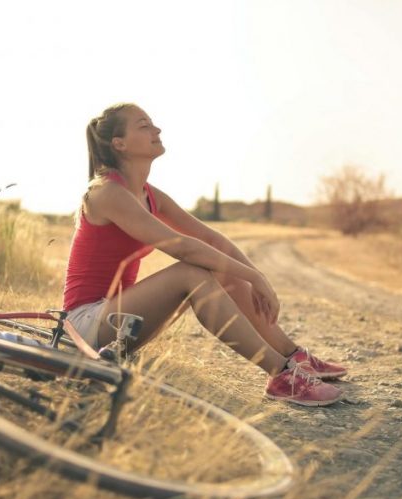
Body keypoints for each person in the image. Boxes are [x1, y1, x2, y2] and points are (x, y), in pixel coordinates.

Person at [62, 103, 348, 406]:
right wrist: (253, 276)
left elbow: (210, 237)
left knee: (223, 268)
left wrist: (254, 276)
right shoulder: (106, 192)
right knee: (192, 272)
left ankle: (294, 356)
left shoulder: (149, 194)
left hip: (121, 322)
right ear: (119, 144)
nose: (156, 130)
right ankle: (280, 374)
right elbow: (181, 245)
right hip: (84, 325)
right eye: (144, 125)